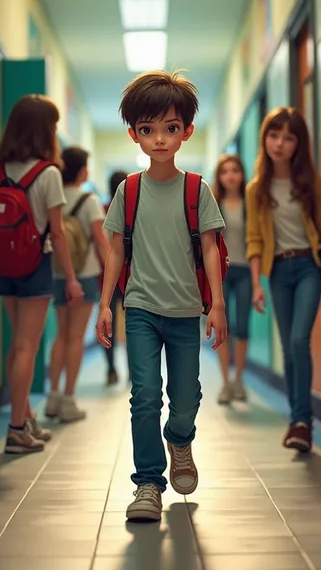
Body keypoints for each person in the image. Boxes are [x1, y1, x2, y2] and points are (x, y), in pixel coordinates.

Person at [96, 70, 227, 523]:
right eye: (148, 130)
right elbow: (115, 249)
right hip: (140, 308)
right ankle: (148, 483)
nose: (159, 139)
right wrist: (105, 306)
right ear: (134, 134)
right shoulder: (128, 191)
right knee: (145, 394)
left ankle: (180, 438)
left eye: (170, 129)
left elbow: (210, 248)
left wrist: (218, 306)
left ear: (186, 131)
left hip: (187, 309)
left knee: (185, 397)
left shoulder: (197, 190)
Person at [0, 94, 83, 454]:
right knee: (28, 346)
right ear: (45, 130)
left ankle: (26, 419)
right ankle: (15, 430)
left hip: (4, 265)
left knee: (17, 345)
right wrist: (71, 277)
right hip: (35, 265)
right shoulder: (49, 173)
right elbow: (57, 233)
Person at [245, 107, 321, 453]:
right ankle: (297, 420)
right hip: (279, 272)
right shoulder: (256, 189)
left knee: (300, 340)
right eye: (274, 135)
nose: (280, 144)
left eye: (288, 137)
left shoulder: (309, 181)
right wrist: (257, 283)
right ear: (265, 139)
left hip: (309, 267)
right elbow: (254, 239)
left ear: (299, 143)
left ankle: (303, 420)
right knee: (288, 347)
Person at [45, 147, 109, 422]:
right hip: (83, 276)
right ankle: (70, 399)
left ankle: (53, 396)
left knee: (61, 335)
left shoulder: (55, 196)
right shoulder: (89, 200)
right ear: (82, 170)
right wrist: (114, 270)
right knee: (76, 338)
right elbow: (101, 240)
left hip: (58, 273)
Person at [212, 154, 252, 404]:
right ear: (219, 176)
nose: (230, 175)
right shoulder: (214, 204)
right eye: (225, 171)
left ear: (242, 174)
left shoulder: (252, 204)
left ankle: (239, 380)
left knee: (243, 327)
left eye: (235, 170)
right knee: (223, 327)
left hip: (246, 270)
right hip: (222, 273)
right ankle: (225, 382)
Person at [103, 170, 129, 386]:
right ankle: (133, 371)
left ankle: (111, 370)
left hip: (105, 277)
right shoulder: (131, 210)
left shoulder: (103, 210)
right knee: (133, 325)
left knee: (107, 324)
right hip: (129, 277)